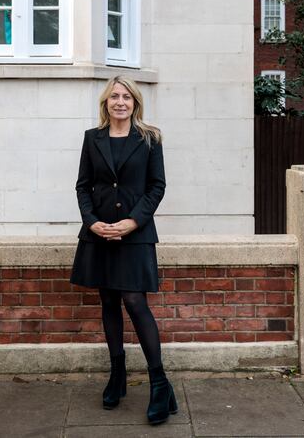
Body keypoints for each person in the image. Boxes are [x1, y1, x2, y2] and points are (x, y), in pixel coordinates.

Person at [70, 75, 178, 425]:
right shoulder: (92, 139)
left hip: (135, 232)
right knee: (108, 301)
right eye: (114, 96)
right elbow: (83, 186)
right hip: (99, 233)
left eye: (126, 97)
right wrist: (91, 222)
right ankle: (117, 376)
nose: (120, 102)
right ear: (106, 102)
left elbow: (157, 187)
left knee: (134, 301)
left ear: (135, 103)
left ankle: (159, 383)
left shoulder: (149, 139)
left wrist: (133, 222)